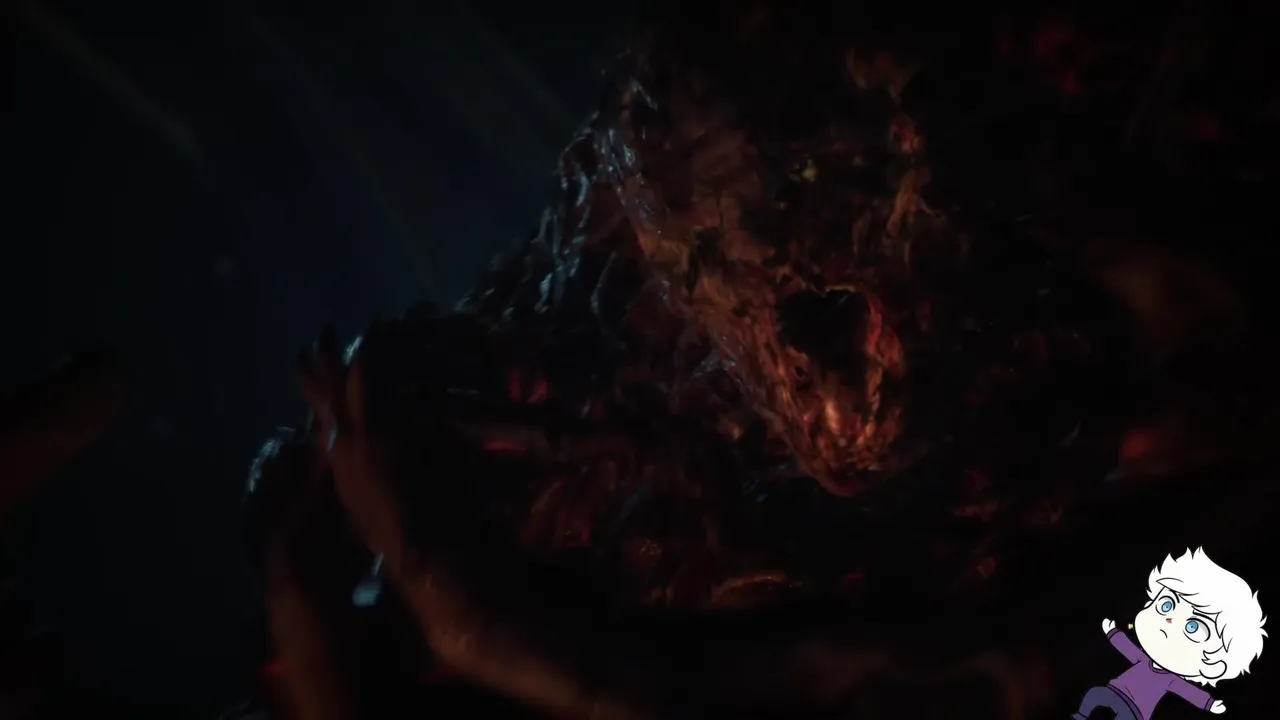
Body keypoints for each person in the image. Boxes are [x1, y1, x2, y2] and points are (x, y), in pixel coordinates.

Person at [1073, 548, 1266, 719]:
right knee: (1094, 694)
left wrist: (1209, 704)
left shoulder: (1171, 679)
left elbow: (1189, 692)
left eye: (1193, 626)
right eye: (1167, 605)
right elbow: (1127, 648)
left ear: (1213, 666)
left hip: (1135, 711)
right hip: (1114, 691)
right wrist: (1112, 633)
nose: (1170, 620)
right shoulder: (1142, 659)